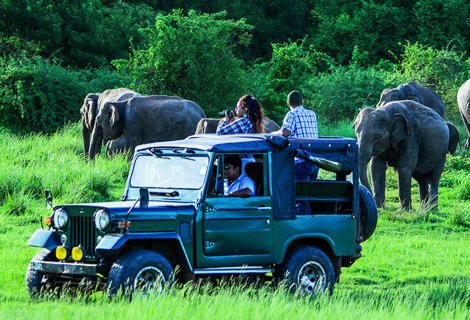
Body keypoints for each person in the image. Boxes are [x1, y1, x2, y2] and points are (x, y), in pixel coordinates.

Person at [277, 90, 319, 181]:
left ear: (289, 103)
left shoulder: (292, 114)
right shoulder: (312, 114)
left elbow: (284, 133)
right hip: (315, 160)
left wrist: (273, 134)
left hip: (301, 161)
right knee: (309, 190)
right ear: (301, 101)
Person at [217, 94, 265, 170]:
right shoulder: (253, 122)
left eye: (237, 107)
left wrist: (225, 120)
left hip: (242, 163)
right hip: (249, 161)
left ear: (245, 108)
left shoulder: (244, 121)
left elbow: (220, 132)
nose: (235, 109)